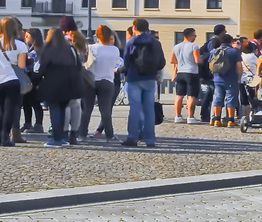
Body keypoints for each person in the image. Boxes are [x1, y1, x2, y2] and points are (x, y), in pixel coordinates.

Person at [0, 18, 29, 146]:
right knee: (10, 109)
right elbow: (21, 66)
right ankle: (5, 137)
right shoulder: (20, 45)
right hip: (12, 80)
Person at [121, 19, 164, 147]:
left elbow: (126, 62)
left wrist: (121, 71)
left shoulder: (131, 42)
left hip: (134, 78)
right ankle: (150, 139)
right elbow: (162, 62)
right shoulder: (155, 43)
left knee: (135, 108)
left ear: (134, 28)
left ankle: (132, 137)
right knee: (149, 109)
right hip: (150, 78)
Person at [82, 26, 122, 141]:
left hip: (90, 81)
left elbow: (86, 63)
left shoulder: (92, 48)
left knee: (87, 109)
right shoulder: (115, 50)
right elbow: (116, 63)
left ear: (97, 36)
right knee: (105, 110)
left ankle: (82, 133)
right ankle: (109, 134)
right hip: (108, 81)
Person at [170, 28, 202, 124]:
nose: (195, 37)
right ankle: (190, 117)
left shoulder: (176, 47)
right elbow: (197, 60)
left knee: (179, 95)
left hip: (180, 72)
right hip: (191, 72)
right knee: (191, 95)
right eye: (194, 35)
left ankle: (178, 116)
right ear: (191, 36)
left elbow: (173, 60)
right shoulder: (194, 46)